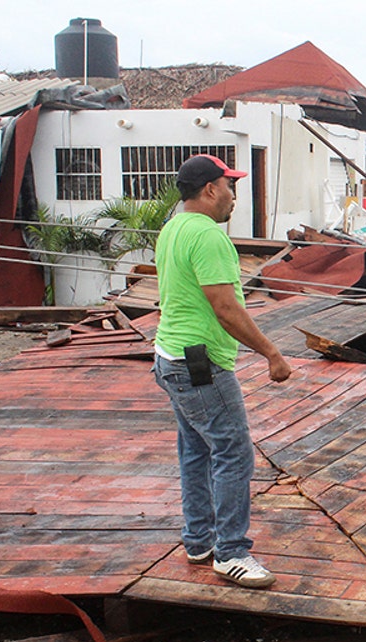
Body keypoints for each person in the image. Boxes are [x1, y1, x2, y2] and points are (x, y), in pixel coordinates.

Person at [153, 154, 293, 589]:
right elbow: (225, 307)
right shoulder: (209, 236)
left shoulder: (173, 227)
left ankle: (199, 541)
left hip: (170, 355)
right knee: (233, 452)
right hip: (201, 363)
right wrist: (271, 353)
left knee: (196, 450)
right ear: (211, 189)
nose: (233, 196)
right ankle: (231, 552)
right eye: (230, 186)